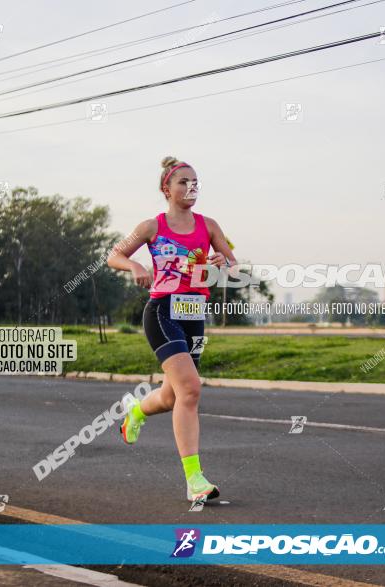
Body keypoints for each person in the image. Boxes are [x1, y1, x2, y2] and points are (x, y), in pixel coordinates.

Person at [107, 155, 236, 502]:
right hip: (163, 311)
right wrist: (133, 265)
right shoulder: (152, 226)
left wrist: (223, 262)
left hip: (194, 315)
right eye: (183, 182)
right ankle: (195, 481)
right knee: (191, 390)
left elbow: (235, 267)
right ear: (166, 188)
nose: (191, 187)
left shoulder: (209, 226)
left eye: (195, 182)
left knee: (171, 395)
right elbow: (113, 256)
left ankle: (135, 411)